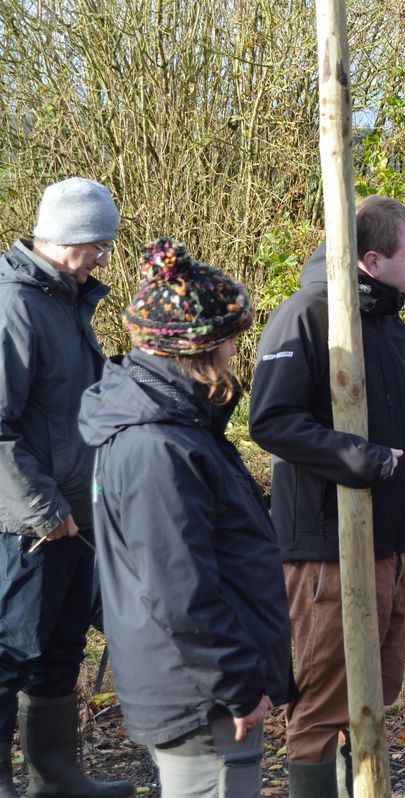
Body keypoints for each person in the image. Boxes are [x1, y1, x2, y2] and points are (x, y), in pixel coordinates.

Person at [80, 238, 292, 797]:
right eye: (228, 343)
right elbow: (181, 592)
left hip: (196, 682)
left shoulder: (174, 427)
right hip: (201, 694)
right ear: (199, 350)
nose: (232, 356)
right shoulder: (159, 447)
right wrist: (239, 686)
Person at [249, 196, 405, 797]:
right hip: (329, 546)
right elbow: (271, 420)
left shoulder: (393, 327)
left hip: (395, 543)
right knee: (324, 703)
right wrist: (363, 461)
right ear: (372, 260)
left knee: (378, 692)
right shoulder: (305, 315)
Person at [0, 177, 132, 798]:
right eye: (99, 245)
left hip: (75, 518)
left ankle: (56, 778)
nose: (106, 257)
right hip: (23, 526)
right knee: (9, 657)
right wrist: (44, 510)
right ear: (66, 238)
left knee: (59, 651)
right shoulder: (15, 306)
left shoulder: (69, 304)